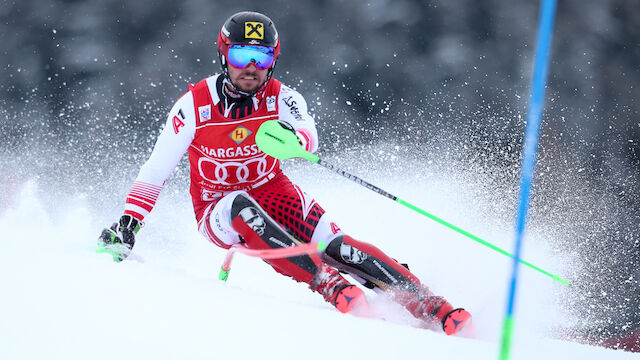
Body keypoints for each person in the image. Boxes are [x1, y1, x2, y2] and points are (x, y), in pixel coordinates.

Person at [98, 11, 471, 335]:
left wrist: (296, 138)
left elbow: (309, 133)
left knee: (340, 247)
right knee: (240, 204)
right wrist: (130, 223)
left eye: (261, 58)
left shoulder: (282, 97)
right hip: (216, 208)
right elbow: (156, 169)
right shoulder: (194, 106)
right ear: (224, 55)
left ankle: (430, 306)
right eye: (242, 55)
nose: (251, 68)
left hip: (274, 191)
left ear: (272, 61)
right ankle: (327, 283)